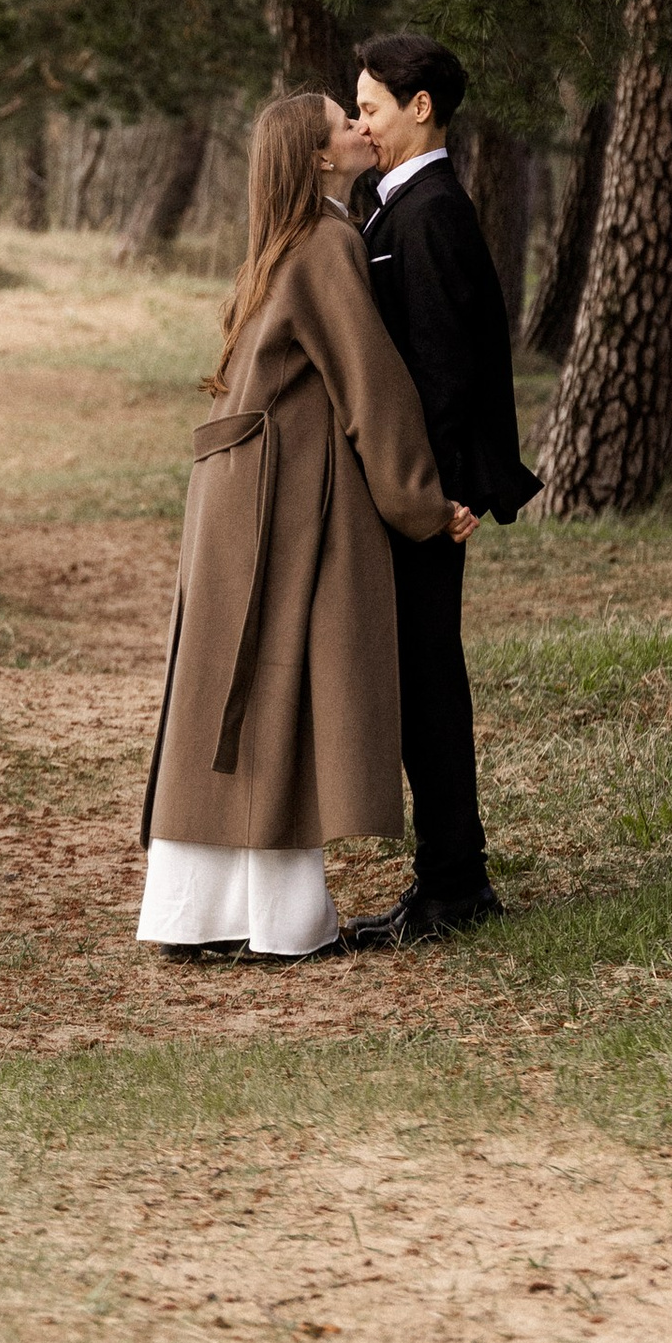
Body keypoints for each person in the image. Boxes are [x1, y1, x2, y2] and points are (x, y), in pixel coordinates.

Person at [137, 89, 466, 962]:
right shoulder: (326, 243)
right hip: (279, 495)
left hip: (234, 488)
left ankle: (193, 914)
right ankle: (281, 924)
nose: (364, 127)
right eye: (344, 123)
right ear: (320, 157)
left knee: (230, 697)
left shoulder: (286, 242)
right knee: (279, 689)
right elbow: (374, 390)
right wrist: (425, 506)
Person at [350, 30, 539, 942]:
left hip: (426, 501)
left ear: (420, 107)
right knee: (419, 682)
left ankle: (454, 888)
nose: (362, 123)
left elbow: (452, 363)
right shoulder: (392, 205)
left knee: (429, 686)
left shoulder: (431, 211)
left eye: (372, 108)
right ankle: (447, 879)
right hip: (411, 491)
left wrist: (446, 490)